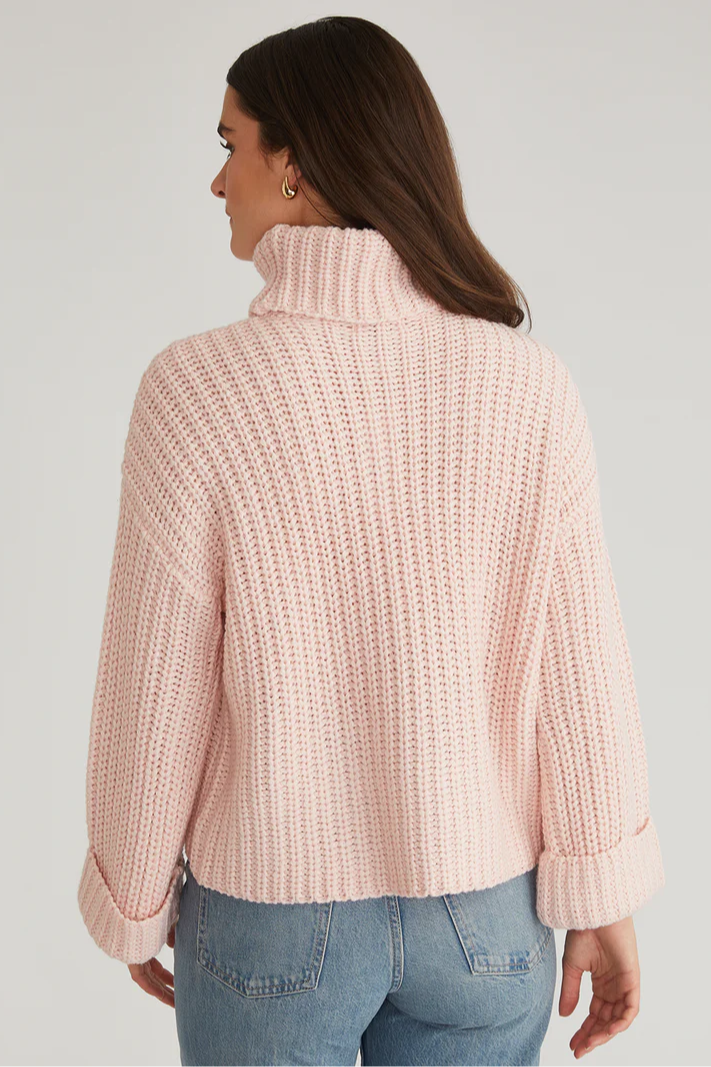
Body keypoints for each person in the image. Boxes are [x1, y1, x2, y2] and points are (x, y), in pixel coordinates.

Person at [76, 16, 665, 1066]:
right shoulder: (527, 387)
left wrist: (131, 897)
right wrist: (603, 894)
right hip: (486, 924)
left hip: (267, 917)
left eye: (230, 144)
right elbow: (582, 669)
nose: (217, 181)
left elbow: (152, 686)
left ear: (294, 162)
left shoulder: (195, 391)